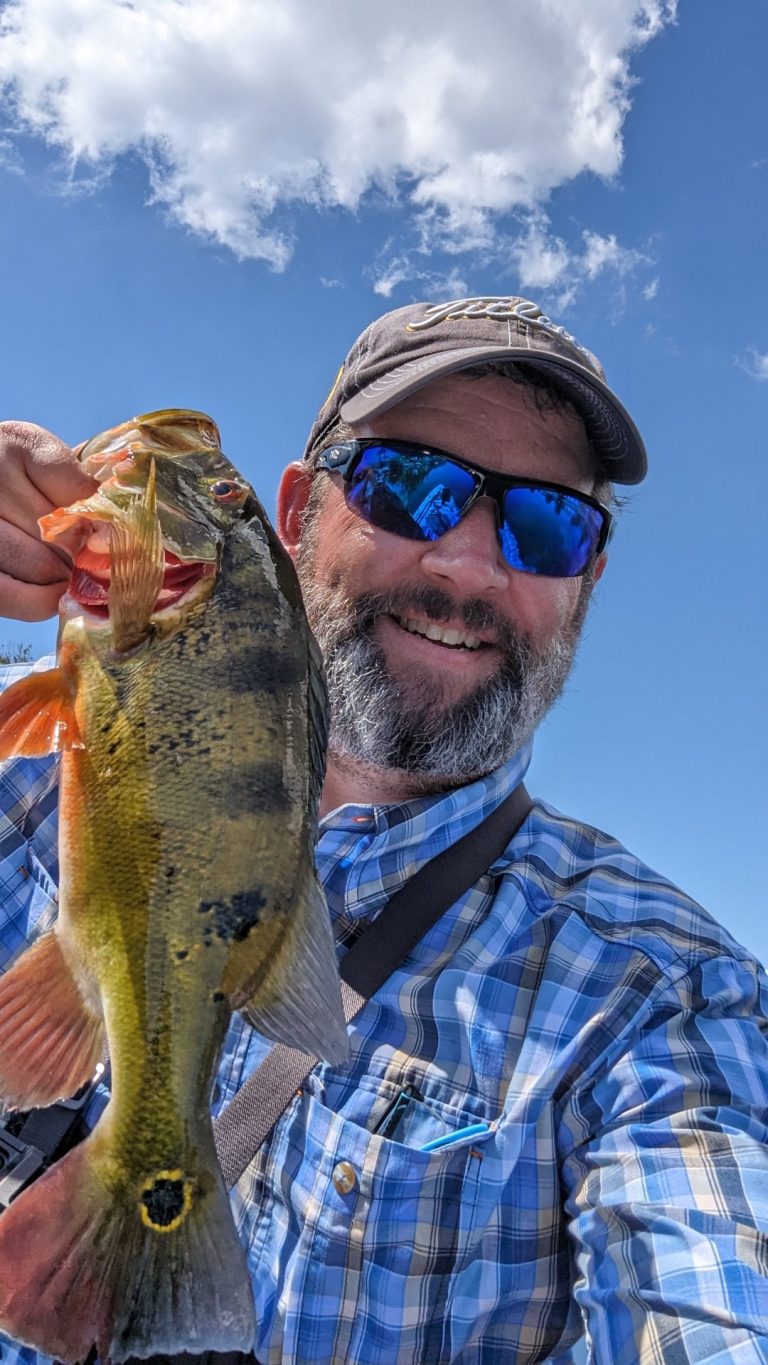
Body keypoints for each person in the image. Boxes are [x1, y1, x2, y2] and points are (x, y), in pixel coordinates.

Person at [0, 295, 766, 1364]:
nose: (464, 563)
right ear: (298, 513)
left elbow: (713, 1298)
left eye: (549, 525)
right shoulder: (24, 768)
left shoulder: (662, 1000)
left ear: (587, 580)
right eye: (410, 487)